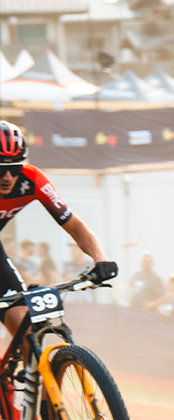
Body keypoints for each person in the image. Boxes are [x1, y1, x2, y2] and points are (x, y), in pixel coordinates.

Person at [0, 120, 117, 351]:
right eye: (1, 168)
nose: (7, 177)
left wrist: (101, 259)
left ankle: (35, 381)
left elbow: (75, 226)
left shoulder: (32, 180)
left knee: (25, 328)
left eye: (14, 169)